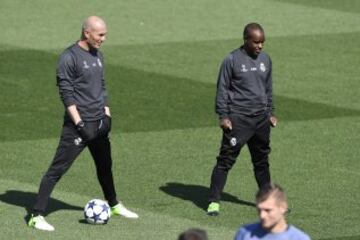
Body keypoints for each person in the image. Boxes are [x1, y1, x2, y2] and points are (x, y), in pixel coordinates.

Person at [28, 16, 138, 231]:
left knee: (105, 167)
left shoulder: (98, 55)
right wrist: (79, 124)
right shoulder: (69, 57)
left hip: (99, 124)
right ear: (86, 33)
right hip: (78, 127)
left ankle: (114, 204)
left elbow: (102, 86)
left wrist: (107, 115)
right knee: (57, 169)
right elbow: (66, 94)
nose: (103, 39)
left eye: (105, 34)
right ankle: (36, 215)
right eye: (100, 35)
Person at [207, 23, 278, 215]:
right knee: (225, 161)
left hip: (261, 120)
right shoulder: (231, 60)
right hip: (239, 120)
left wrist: (270, 112)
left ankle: (269, 202)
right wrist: (223, 116)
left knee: (262, 161)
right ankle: (213, 201)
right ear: (246, 39)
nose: (260, 46)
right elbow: (222, 89)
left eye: (262, 42)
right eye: (256, 42)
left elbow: (268, 88)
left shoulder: (266, 59)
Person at [234, 183, 311, 240]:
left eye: (268, 210)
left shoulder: (299, 238)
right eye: (259, 210)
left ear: (283, 208)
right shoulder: (244, 233)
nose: (262, 215)